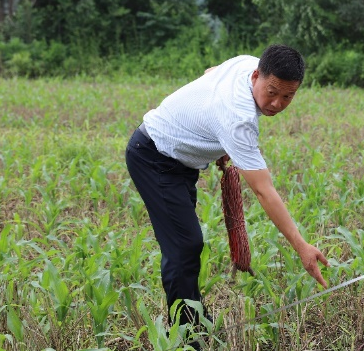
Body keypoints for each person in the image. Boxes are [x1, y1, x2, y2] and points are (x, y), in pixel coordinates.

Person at [125, 44, 329, 334]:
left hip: (181, 162)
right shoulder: (239, 119)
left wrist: (214, 133)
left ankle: (191, 316)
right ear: (257, 76)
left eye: (288, 96)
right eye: (272, 92)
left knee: (185, 245)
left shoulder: (246, 64)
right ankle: (186, 337)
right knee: (184, 246)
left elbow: (211, 73)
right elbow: (263, 191)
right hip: (154, 158)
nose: (277, 103)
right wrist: (301, 246)